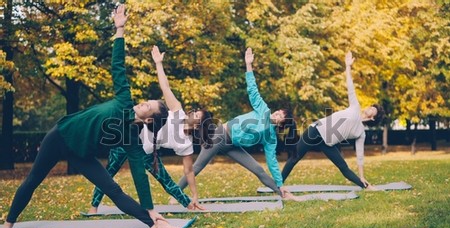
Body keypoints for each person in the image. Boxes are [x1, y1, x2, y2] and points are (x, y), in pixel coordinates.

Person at [3, 4, 178, 228]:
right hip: (61, 136)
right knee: (33, 180)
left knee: (113, 190)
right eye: (146, 101)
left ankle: (153, 223)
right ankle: (8, 224)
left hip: (80, 153)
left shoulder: (131, 139)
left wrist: (151, 209)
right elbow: (118, 66)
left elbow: (139, 174)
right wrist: (120, 30)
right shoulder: (125, 98)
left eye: (147, 106)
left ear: (148, 121)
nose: (142, 102)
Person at [86, 45, 214, 213]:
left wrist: (195, 194)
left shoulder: (186, 144)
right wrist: (159, 64)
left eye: (198, 115)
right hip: (129, 137)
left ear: (198, 126)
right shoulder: (177, 111)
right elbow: (165, 87)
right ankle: (93, 207)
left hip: (148, 152)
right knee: (109, 172)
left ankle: (191, 204)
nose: (194, 112)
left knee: (166, 181)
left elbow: (189, 171)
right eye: (196, 110)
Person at [173, 48, 297, 201]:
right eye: (277, 112)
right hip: (220, 135)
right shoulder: (263, 109)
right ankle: (175, 193)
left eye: (280, 116)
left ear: (281, 124)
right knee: (198, 166)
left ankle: (282, 193)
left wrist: (280, 182)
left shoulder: (270, 137)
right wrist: (248, 65)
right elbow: (253, 90)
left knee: (258, 169)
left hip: (233, 146)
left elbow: (272, 161)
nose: (276, 114)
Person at [281, 51, 385, 190]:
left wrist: (362, 174)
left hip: (328, 143)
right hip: (316, 131)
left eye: (373, 110)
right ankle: (278, 184)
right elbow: (350, 87)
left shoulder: (361, 133)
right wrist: (347, 66)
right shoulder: (355, 107)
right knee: (295, 157)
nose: (369, 108)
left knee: (344, 168)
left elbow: (360, 155)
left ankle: (364, 185)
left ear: (372, 117)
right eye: (371, 106)